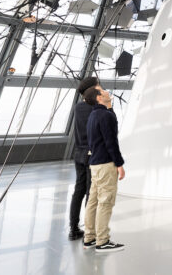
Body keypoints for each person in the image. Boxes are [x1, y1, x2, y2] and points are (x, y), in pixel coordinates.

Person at [83, 84, 125, 252]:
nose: (107, 91)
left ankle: (90, 237)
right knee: (105, 202)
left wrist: (110, 107)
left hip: (95, 163)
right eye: (103, 90)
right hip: (106, 164)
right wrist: (119, 164)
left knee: (93, 201)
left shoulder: (94, 115)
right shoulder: (106, 116)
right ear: (99, 97)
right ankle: (102, 241)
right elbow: (111, 142)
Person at [68, 76, 99, 241]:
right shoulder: (96, 108)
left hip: (78, 153)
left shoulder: (78, 107)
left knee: (78, 191)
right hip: (92, 154)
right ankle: (89, 231)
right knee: (90, 193)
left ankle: (73, 229)